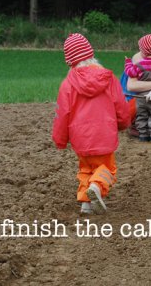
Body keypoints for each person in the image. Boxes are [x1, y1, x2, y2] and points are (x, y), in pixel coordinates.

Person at [52, 33, 131, 215]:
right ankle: (97, 187)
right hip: (104, 135)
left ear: (70, 61)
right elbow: (120, 105)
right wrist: (123, 123)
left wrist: (60, 140)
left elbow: (62, 113)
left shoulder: (67, 84)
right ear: (91, 54)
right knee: (108, 169)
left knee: (86, 168)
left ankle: (86, 204)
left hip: (80, 139)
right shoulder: (107, 78)